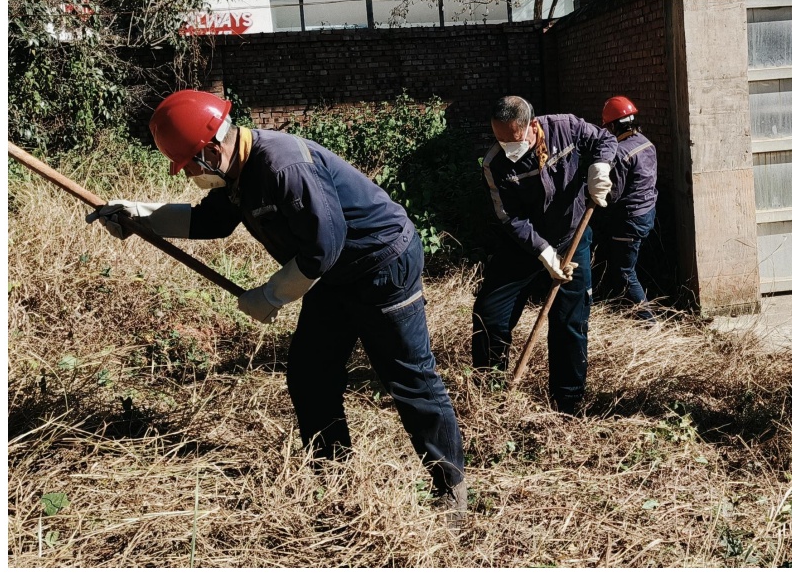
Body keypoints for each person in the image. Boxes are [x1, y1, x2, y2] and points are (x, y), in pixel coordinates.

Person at [86, 90, 469, 514]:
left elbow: (324, 247)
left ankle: (450, 491)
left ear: (212, 149)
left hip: (381, 265)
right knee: (310, 376)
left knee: (408, 378)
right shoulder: (236, 172)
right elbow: (211, 222)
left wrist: (272, 296)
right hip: (331, 275)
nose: (188, 174)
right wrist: (137, 216)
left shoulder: (283, 165)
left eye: (189, 163)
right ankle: (333, 478)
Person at [472, 96, 616, 413]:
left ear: (533, 126)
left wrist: (599, 168)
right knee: (490, 315)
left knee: (570, 322)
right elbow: (509, 217)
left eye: (514, 140)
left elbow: (604, 139)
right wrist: (543, 253)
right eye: (500, 140)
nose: (509, 149)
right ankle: (488, 396)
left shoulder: (566, 128)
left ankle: (568, 404)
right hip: (523, 246)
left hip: (570, 238)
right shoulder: (494, 164)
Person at [593, 96, 658, 325]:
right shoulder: (646, 142)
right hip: (647, 213)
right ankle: (632, 310)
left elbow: (614, 194)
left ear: (612, 126)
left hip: (629, 219)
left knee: (624, 272)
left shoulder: (620, 153)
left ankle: (648, 322)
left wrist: (594, 191)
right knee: (632, 265)